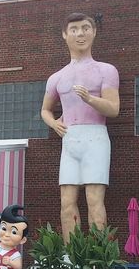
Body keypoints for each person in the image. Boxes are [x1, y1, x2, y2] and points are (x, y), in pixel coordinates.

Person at [41, 12, 120, 241]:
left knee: (94, 200)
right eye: (74, 29)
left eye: (85, 28)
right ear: (65, 35)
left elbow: (113, 109)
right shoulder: (57, 77)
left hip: (95, 137)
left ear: (93, 32)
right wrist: (53, 123)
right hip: (70, 139)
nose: (80, 34)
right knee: (67, 202)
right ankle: (71, 255)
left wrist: (90, 99)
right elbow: (45, 109)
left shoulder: (106, 70)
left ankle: (98, 254)